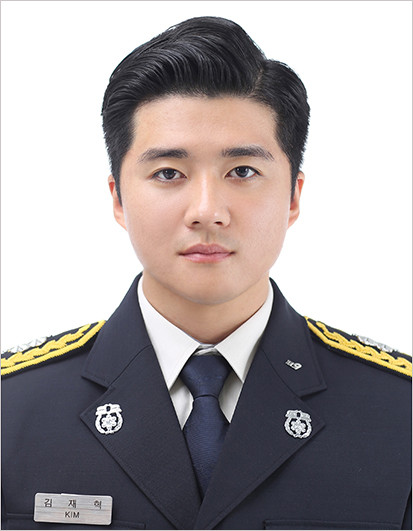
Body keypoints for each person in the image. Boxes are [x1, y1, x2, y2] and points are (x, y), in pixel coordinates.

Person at [1, 16, 411, 530]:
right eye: (168, 173)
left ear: (293, 197)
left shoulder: (399, 411)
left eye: (242, 171)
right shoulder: (12, 407)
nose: (207, 211)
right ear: (119, 199)